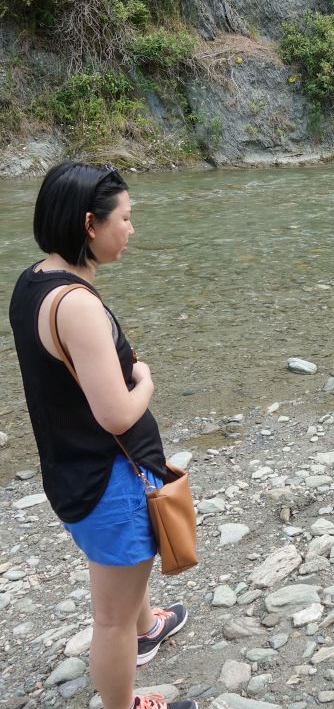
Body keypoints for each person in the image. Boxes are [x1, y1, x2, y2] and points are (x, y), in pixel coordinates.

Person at [8, 163, 194, 709]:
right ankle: (124, 702)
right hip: (106, 479)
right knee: (111, 620)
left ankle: (149, 624)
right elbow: (116, 415)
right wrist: (146, 381)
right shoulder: (79, 306)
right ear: (91, 224)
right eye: (127, 218)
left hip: (69, 470)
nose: (132, 229)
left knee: (123, 577)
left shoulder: (33, 282)